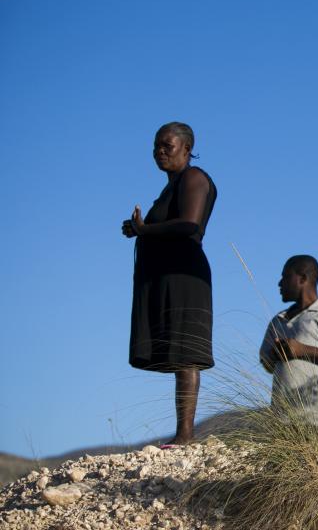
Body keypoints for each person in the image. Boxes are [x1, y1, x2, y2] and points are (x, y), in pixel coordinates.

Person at [121, 121, 217, 446]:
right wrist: (140, 230)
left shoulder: (194, 177)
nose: (160, 152)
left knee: (186, 352)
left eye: (167, 146)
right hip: (170, 275)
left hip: (185, 276)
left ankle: (185, 434)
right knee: (177, 351)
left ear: (187, 150)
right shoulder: (169, 187)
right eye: (156, 147)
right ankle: (183, 433)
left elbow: (189, 224)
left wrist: (145, 230)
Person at [259, 255, 318, 437]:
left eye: (285, 277)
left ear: (302, 278)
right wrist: (275, 354)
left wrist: (301, 350)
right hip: (282, 422)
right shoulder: (277, 320)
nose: (280, 284)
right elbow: (266, 362)